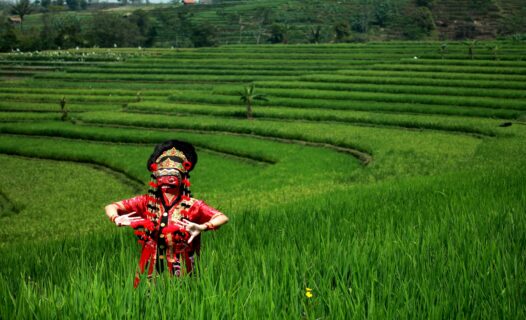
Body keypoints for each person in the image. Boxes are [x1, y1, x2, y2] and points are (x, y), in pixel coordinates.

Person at [104, 140, 229, 287]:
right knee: (147, 298)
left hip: (181, 263)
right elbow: (111, 206)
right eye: (161, 175)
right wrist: (116, 217)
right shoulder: (146, 202)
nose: (166, 180)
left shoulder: (193, 205)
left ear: (182, 178)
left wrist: (203, 227)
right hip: (150, 262)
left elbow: (222, 217)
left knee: (182, 299)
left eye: (172, 175)